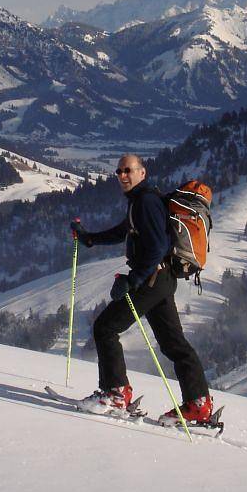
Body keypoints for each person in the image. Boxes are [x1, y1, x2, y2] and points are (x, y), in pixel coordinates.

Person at [70, 154, 213, 425]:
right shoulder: (142, 200)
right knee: (174, 344)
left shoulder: (145, 202)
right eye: (119, 171)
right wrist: (91, 238)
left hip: (152, 279)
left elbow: (158, 246)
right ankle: (199, 403)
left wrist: (133, 279)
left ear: (142, 173)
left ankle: (115, 393)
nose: (123, 176)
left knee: (105, 327)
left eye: (128, 171)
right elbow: (125, 231)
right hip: (162, 279)